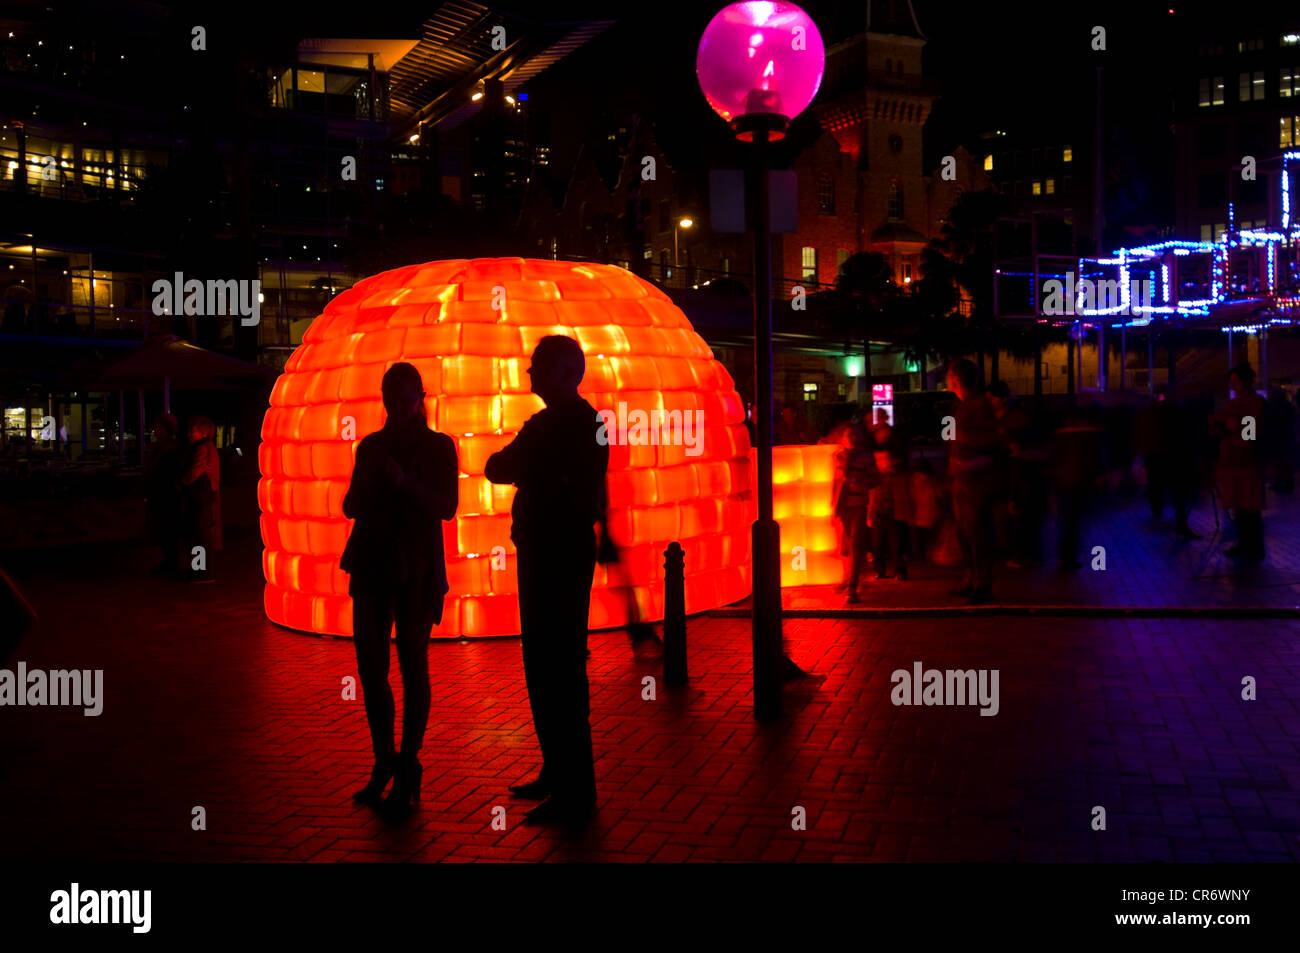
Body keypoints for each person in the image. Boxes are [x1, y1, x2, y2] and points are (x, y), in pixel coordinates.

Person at [485, 336, 608, 827]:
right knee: (542, 665)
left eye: (537, 367)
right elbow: (496, 467)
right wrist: (539, 469)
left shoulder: (583, 424)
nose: (528, 374)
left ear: (563, 374)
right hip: (541, 551)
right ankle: (557, 771)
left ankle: (576, 790)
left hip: (561, 555)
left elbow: (575, 485)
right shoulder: (548, 426)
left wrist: (535, 467)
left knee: (559, 670)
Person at [340, 363, 458, 820]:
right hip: (372, 562)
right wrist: (371, 485)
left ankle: (407, 762)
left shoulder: (438, 447)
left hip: (416, 566)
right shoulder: (370, 446)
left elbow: (447, 507)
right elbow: (350, 504)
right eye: (390, 395)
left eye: (404, 395)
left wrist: (404, 484)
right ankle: (384, 760)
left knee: (412, 664)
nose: (396, 403)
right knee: (371, 667)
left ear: (419, 397)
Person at [945, 360, 1001, 605]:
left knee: (977, 533)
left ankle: (982, 583)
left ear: (956, 379)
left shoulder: (976, 406)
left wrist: (967, 464)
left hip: (976, 483)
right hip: (964, 481)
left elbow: (991, 443)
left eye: (949, 377)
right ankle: (971, 579)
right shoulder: (966, 405)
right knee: (966, 533)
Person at [1216, 363, 1267, 563]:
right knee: (1240, 506)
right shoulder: (1236, 403)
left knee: (1249, 507)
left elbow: (1249, 434)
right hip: (1234, 462)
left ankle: (1252, 547)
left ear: (1245, 381)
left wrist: (1230, 427)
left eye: (1236, 382)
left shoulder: (1253, 403)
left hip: (1246, 463)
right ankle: (1245, 544)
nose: (1233, 386)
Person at [1051, 405, 1105, 571]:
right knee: (1074, 522)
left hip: (1063, 482)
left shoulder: (1060, 436)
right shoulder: (1090, 436)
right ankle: (1069, 557)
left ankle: (1064, 557)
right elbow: (1094, 460)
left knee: (1065, 522)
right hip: (1080, 483)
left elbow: (1053, 459)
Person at [832, 422, 874, 603]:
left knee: (856, 544)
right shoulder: (839, 457)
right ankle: (849, 578)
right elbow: (836, 482)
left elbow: (874, 482)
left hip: (858, 503)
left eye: (854, 435)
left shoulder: (865, 458)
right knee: (846, 545)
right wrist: (833, 505)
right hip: (843, 506)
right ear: (842, 439)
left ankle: (852, 585)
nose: (852, 439)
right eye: (848, 436)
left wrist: (871, 505)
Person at [179, 416, 222, 582]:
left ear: (202, 432)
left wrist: (182, 481)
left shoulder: (202, 448)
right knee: (200, 534)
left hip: (200, 497)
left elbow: (196, 470)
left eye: (193, 430)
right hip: (203, 496)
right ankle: (199, 570)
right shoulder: (207, 447)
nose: (189, 434)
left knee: (200, 535)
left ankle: (203, 572)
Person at [867, 424, 910, 580]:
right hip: (879, 513)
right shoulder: (875, 478)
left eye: (884, 459)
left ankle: (899, 571)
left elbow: (901, 495)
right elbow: (871, 495)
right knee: (877, 545)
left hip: (892, 513)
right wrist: (870, 514)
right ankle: (881, 570)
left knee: (895, 544)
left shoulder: (895, 478)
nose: (882, 462)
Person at [145, 413, 183, 576]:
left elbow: (168, 473)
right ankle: (173, 563)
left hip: (167, 496)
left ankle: (197, 568)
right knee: (166, 532)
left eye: (158, 428)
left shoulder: (169, 449)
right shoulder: (164, 448)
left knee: (170, 531)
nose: (155, 430)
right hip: (164, 495)